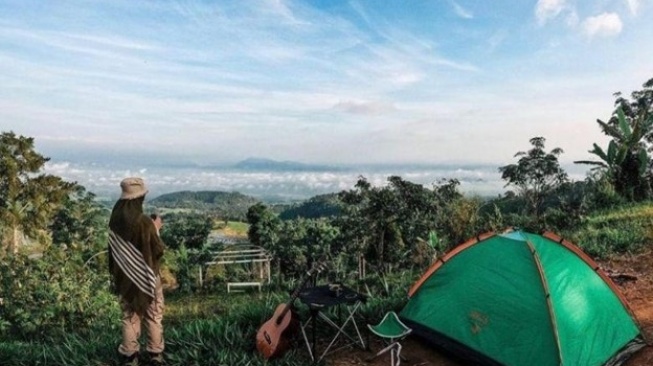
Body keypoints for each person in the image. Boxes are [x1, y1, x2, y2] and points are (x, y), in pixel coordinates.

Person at [108, 177, 165, 366]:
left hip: (125, 278)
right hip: (149, 277)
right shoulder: (144, 222)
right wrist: (156, 229)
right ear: (139, 198)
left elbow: (115, 250)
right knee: (154, 314)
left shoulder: (115, 220)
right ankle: (155, 354)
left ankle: (130, 356)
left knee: (129, 317)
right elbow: (157, 250)